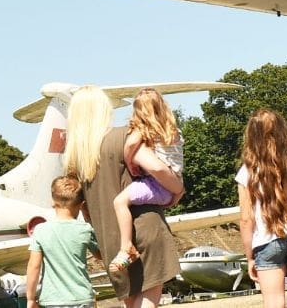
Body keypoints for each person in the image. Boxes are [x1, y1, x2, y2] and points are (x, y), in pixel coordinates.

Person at [65, 86, 181, 308]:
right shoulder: (123, 137)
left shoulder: (76, 159)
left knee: (130, 301)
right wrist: (177, 188)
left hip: (109, 237)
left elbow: (84, 208)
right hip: (144, 227)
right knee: (149, 296)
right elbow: (157, 167)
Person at [237, 108, 287, 308]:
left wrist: (250, 257)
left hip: (266, 242)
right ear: (283, 133)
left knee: (273, 303)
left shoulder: (247, 172)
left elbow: (247, 219)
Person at [110, 88, 186, 270]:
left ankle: (126, 246)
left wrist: (130, 163)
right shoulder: (172, 130)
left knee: (120, 202)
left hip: (157, 184)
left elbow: (129, 145)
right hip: (173, 182)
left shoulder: (144, 130)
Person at [26, 175, 103, 308]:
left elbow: (34, 266)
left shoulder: (41, 230)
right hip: (82, 298)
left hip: (52, 300)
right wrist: (88, 216)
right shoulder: (85, 229)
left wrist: (31, 298)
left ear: (52, 202)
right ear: (82, 205)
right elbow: (100, 255)